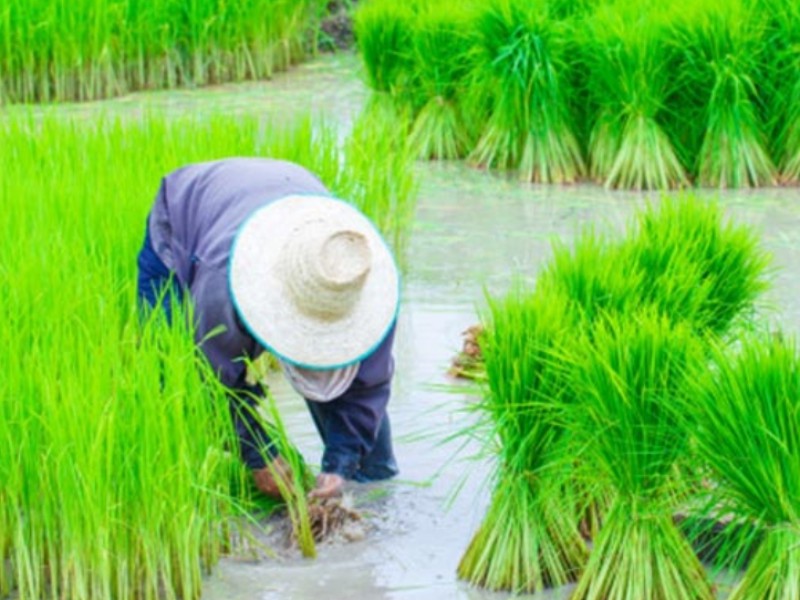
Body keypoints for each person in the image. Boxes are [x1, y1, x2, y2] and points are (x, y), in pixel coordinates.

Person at [136, 157, 400, 500]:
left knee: (367, 466)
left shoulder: (363, 282)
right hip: (187, 214)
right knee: (169, 371)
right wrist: (258, 455)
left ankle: (374, 488)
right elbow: (204, 383)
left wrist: (341, 467)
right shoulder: (224, 284)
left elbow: (368, 388)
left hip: (292, 199)